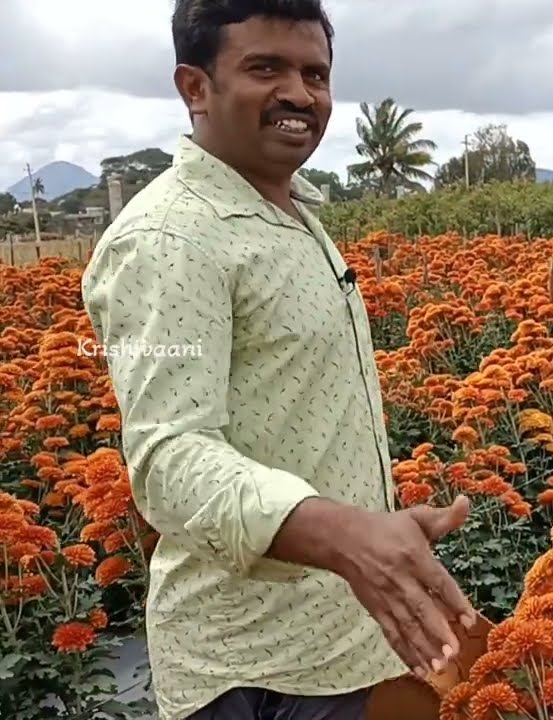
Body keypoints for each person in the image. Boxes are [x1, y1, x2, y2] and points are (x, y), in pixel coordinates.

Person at [79, 1, 477, 718]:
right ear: (195, 88)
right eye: (266, 68)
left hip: (342, 640)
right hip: (253, 672)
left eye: (315, 73)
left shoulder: (290, 213)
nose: (300, 93)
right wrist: (344, 533)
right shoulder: (172, 237)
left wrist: (370, 524)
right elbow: (170, 457)